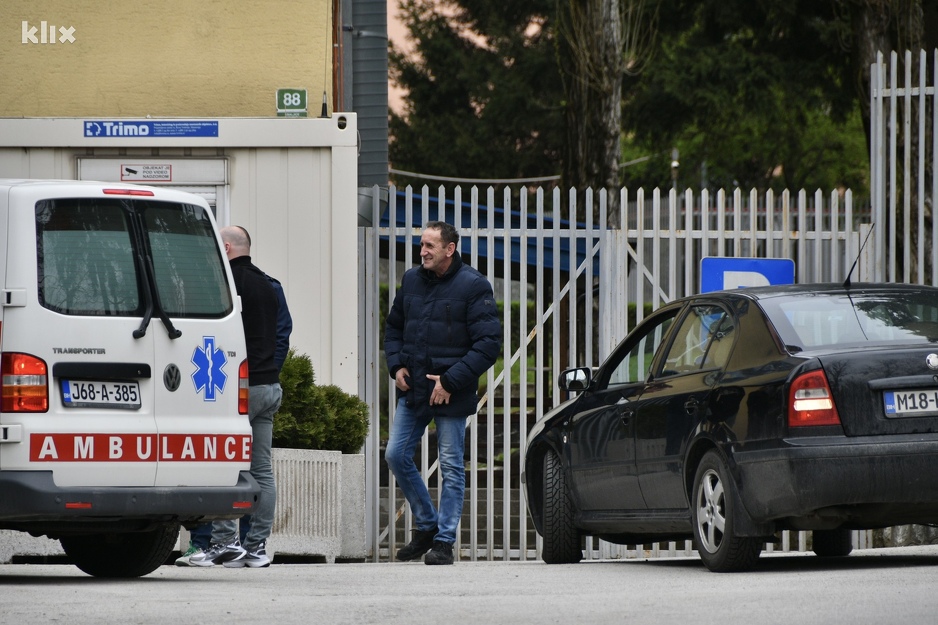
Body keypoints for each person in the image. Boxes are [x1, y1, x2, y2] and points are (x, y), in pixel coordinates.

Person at [384, 221, 501, 565]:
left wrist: (449, 381)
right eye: (421, 245)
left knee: (451, 465)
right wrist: (396, 366)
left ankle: (444, 541)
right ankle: (427, 525)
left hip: (451, 392)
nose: (422, 251)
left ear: (449, 249)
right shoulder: (411, 280)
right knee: (395, 454)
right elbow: (393, 327)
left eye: (430, 246)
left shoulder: (474, 285)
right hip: (415, 389)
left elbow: (488, 345)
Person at [187, 225, 284, 569]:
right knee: (261, 470)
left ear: (226, 247)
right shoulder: (269, 286)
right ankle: (256, 548)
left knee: (228, 465)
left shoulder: (227, 284)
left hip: (241, 388)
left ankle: (225, 543)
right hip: (270, 385)